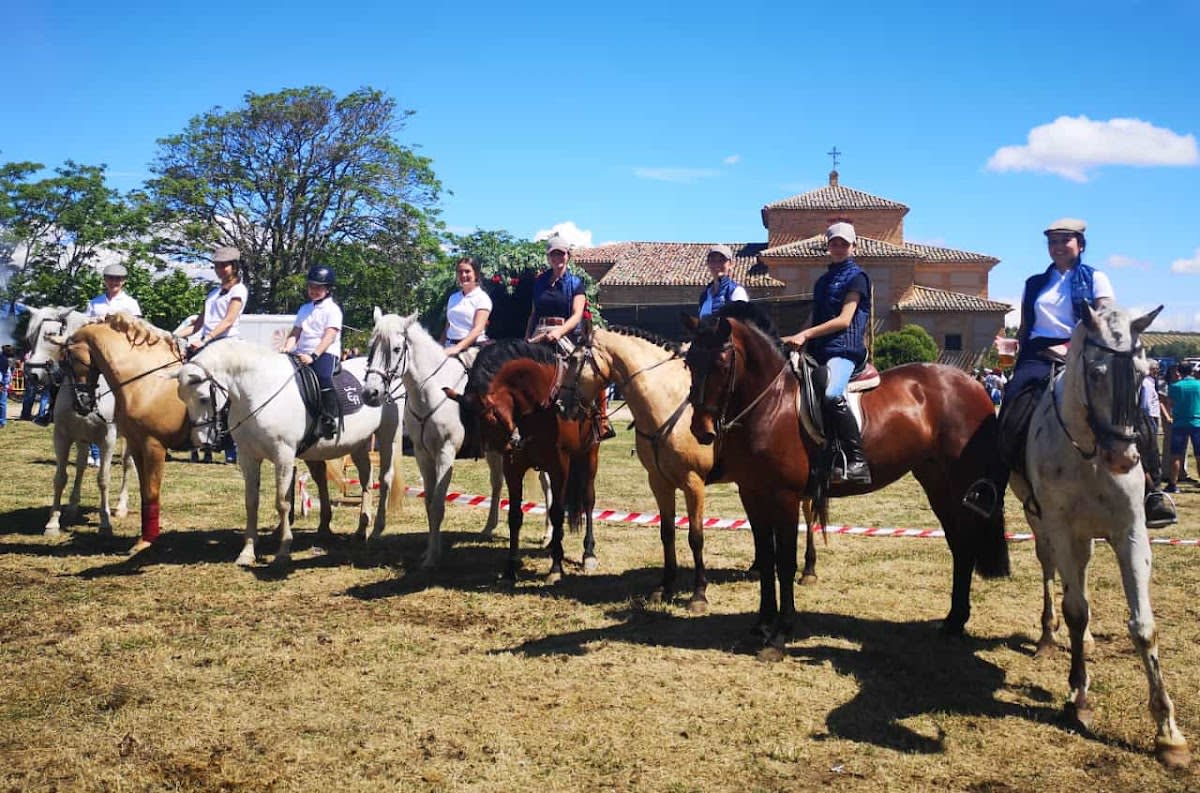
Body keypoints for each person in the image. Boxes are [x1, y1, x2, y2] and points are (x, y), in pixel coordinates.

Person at [998, 218, 1174, 527]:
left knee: (1127, 406)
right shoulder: (1034, 283)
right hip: (1037, 356)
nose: (1057, 246)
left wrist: (1074, 347)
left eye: (1065, 240)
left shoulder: (1096, 278)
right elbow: (1028, 326)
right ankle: (992, 487)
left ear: (1080, 245)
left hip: (1084, 354)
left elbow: (1107, 321)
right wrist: (1014, 346)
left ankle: (1151, 490)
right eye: (1052, 241)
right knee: (1010, 406)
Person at [781, 222, 872, 484]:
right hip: (820, 351)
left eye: (844, 243)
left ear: (853, 246)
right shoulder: (822, 281)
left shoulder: (858, 277)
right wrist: (795, 337)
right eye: (834, 243)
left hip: (844, 349)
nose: (839, 247)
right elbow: (814, 317)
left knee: (832, 395)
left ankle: (857, 461)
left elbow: (844, 320)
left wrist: (807, 335)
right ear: (828, 246)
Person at [526, 235, 614, 440]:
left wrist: (558, 332)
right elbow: (533, 313)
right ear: (548, 257)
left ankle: (601, 421)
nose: (557, 257)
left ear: (568, 256)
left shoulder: (575, 283)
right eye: (553, 253)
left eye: (561, 253)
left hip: (564, 334)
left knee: (589, 371)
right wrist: (527, 338)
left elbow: (576, 315)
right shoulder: (539, 282)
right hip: (539, 332)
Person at [185, 246, 247, 463]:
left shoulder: (238, 291)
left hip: (226, 345)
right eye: (217, 265)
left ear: (235, 267)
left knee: (226, 398)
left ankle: (231, 447)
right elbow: (198, 324)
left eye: (224, 265)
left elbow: (228, 321)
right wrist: (172, 335)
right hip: (208, 344)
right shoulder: (213, 293)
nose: (220, 269)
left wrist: (206, 339)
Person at [283, 264, 343, 440]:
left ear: (328, 289)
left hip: (324, 353)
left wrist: (314, 356)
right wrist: (287, 348)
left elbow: (329, 336)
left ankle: (329, 418)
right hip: (301, 352)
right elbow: (296, 332)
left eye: (318, 287)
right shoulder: (304, 308)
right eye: (311, 286)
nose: (314, 290)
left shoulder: (333, 310)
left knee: (323, 377)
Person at [441, 256, 492, 361]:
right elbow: (448, 326)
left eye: (467, 271)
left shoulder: (482, 298)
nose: (463, 275)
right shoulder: (453, 298)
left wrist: (457, 348)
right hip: (449, 347)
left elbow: (477, 329)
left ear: (476, 274)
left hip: (472, 350)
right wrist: (439, 346)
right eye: (460, 272)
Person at [1166, 363, 1200, 492]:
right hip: (1197, 422)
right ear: (1191, 371)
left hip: (1179, 423)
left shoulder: (1174, 386)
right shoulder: (1198, 385)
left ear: (1179, 372)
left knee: (1176, 455)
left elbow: (1169, 404)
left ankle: (1173, 483)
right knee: (1199, 455)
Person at [697, 244, 748, 318]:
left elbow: (742, 322)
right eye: (713, 260)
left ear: (731, 264)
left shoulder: (736, 291)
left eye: (721, 260)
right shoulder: (704, 296)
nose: (717, 264)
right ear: (708, 263)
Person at [0, 344, 11, 428]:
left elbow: (2, 373)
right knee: (2, 403)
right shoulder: (5, 359)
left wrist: (1, 384)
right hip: (4, 383)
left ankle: (2, 422)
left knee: (2, 403)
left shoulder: (3, 359)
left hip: (2, 384)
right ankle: (2, 421)